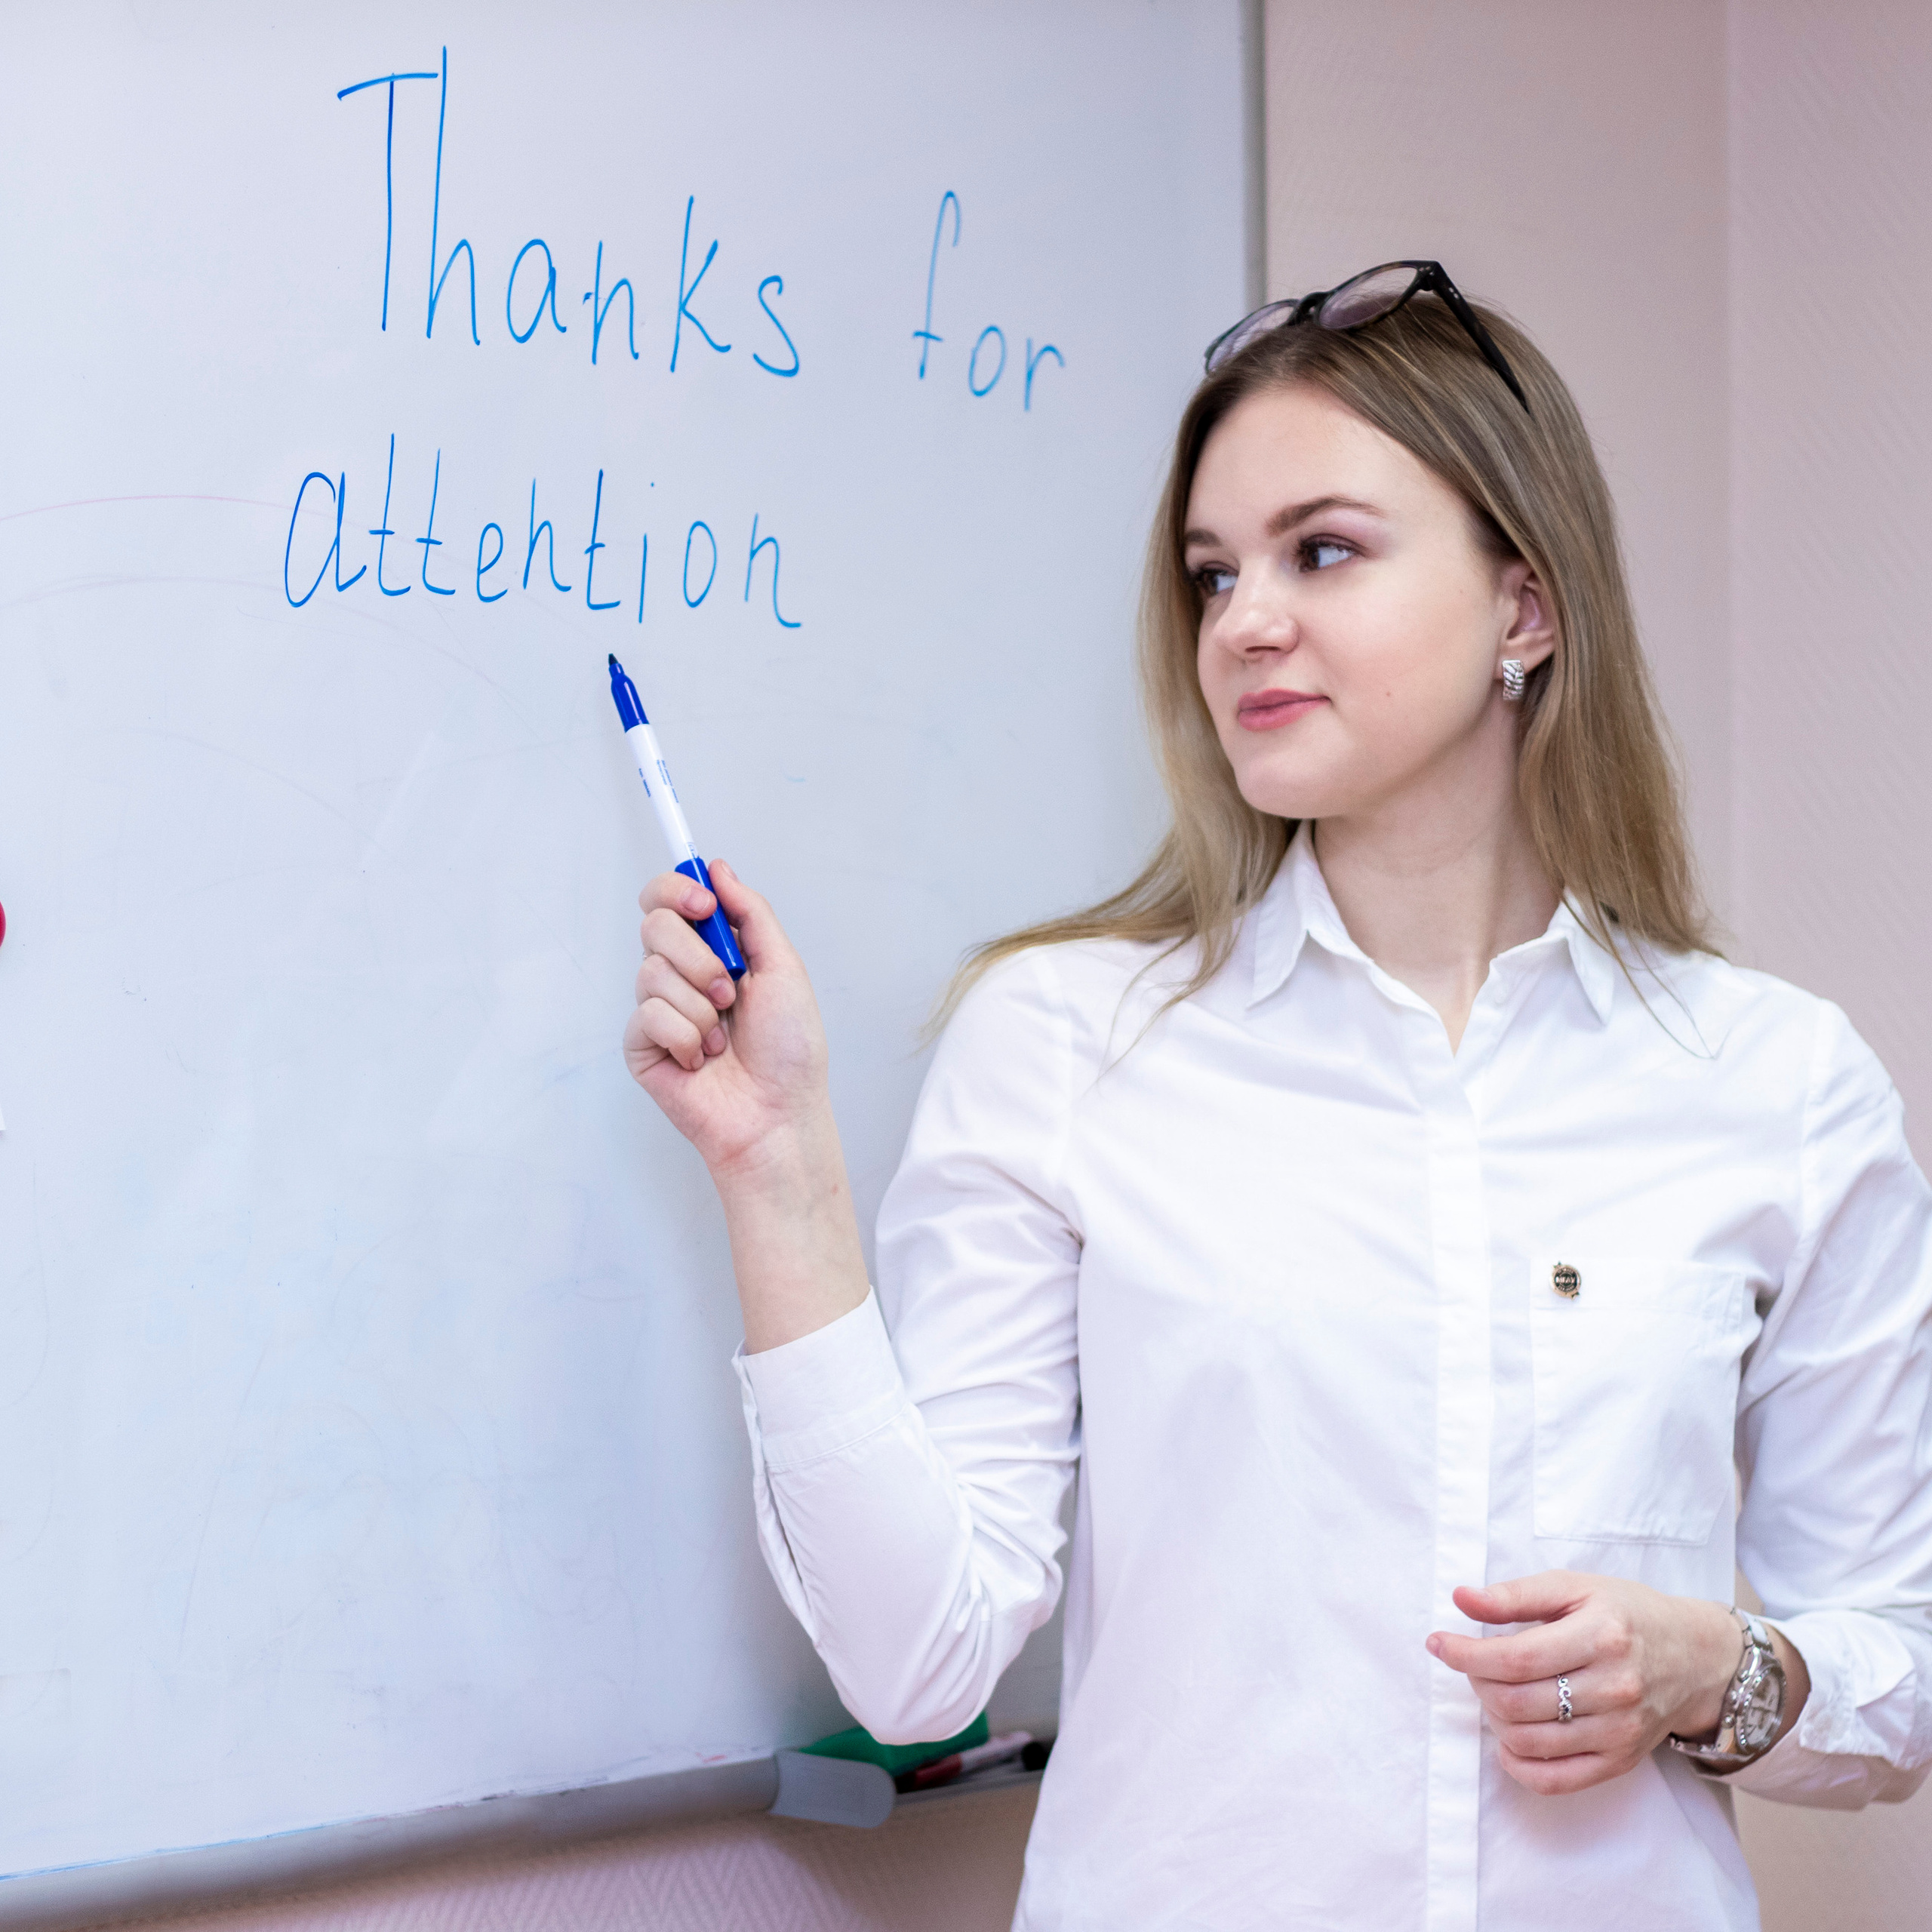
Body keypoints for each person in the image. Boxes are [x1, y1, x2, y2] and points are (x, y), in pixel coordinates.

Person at [621, 263, 1932, 1930]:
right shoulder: (1064, 1042)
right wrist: (774, 1168)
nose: (1242, 618)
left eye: (1321, 550)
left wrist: (1708, 1664)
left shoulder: (1776, 1081)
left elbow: (1891, 1674)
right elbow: (915, 1657)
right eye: (1209, 571)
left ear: (1523, 604)